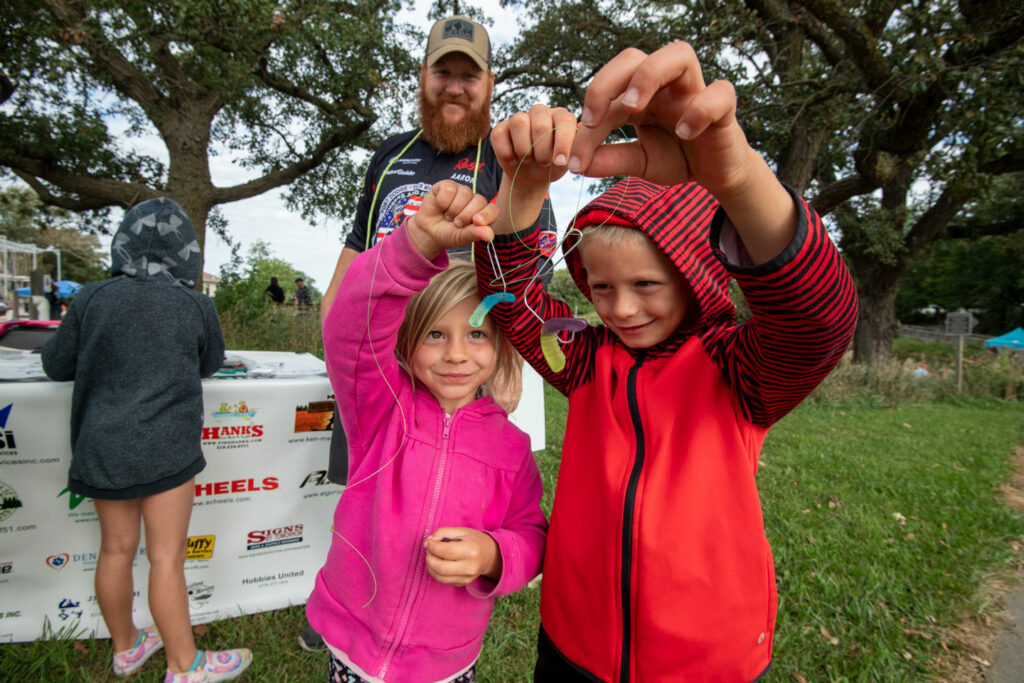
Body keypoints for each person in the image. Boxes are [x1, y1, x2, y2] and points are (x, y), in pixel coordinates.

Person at [473, 43, 859, 681]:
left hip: (706, 660)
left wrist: (733, 178)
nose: (620, 309)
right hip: (572, 645)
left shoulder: (738, 372)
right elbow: (510, 299)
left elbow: (819, 317)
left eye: (646, 285)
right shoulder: (583, 358)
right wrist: (524, 187)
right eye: (600, 287)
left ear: (695, 276)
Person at [299, 13, 554, 652]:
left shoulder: (505, 161)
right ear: (424, 77)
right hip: (380, 364)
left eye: (470, 76)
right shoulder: (388, 156)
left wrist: (509, 367)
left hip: (466, 365)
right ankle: (350, 589)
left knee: (457, 488)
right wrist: (333, 334)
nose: (455, 86)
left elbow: (530, 273)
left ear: (489, 84)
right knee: (367, 482)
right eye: (444, 71)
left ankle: (422, 606)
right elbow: (356, 250)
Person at [305, 181, 548, 682]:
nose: (457, 354)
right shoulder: (378, 405)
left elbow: (531, 534)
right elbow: (352, 321)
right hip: (354, 648)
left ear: (501, 348)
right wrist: (415, 242)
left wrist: (493, 554)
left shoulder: (513, 448)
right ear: (407, 342)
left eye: (476, 334)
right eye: (436, 334)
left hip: (447, 664)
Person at [40, 198, 252, 682]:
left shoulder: (91, 298)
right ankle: (185, 665)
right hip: (166, 450)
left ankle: (127, 646)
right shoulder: (195, 304)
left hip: (101, 448)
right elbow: (209, 363)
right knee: (165, 557)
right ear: (188, 256)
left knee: (115, 550)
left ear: (122, 244)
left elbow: (55, 364)